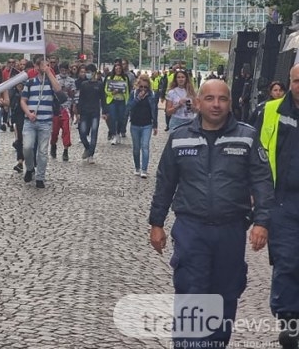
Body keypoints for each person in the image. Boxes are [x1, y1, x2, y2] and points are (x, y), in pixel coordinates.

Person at [149, 79, 274, 349]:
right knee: (191, 291)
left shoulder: (247, 137)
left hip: (230, 231)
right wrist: (156, 223)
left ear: (230, 103)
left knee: (225, 295)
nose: (216, 105)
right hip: (191, 229)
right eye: (210, 99)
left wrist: (262, 222)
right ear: (198, 102)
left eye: (222, 99)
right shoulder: (180, 137)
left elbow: (262, 181)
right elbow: (165, 182)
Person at [258, 64, 299, 348]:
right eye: (298, 81)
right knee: (286, 260)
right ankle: (288, 321)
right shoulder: (271, 110)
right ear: (289, 82)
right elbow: (258, 153)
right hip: (283, 200)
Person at [21, 55, 62, 188]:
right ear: (36, 66)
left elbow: (58, 89)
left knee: (43, 151)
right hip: (30, 122)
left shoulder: (50, 81)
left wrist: (49, 72)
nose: (44, 67)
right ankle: (30, 167)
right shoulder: (30, 82)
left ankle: (40, 177)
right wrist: (28, 113)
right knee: (27, 147)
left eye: (46, 65)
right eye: (42, 65)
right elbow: (23, 100)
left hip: (45, 122)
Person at [126, 73, 158, 178]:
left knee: (145, 146)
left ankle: (144, 169)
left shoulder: (152, 95)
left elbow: (154, 110)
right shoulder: (134, 93)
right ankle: (137, 167)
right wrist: (138, 98)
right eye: (141, 87)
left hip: (147, 124)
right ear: (138, 85)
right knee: (136, 148)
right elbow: (129, 107)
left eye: (145, 87)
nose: (143, 89)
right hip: (135, 124)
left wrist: (155, 125)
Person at [75, 64, 103, 164]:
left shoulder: (99, 84)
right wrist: (78, 112)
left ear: (94, 73)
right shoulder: (84, 84)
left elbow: (103, 98)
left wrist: (105, 112)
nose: (88, 74)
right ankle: (87, 148)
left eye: (89, 72)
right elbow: (80, 99)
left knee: (94, 133)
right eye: (87, 72)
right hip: (84, 112)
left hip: (95, 112)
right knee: (82, 133)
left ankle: (91, 154)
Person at [50, 62, 75, 161]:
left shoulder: (71, 81)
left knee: (66, 130)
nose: (63, 72)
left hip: (66, 108)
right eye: (62, 70)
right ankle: (53, 145)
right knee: (54, 130)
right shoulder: (55, 79)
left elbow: (73, 95)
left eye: (65, 70)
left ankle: (65, 150)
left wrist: (69, 91)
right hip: (56, 107)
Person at [103, 62, 130, 146]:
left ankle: (118, 133)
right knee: (113, 118)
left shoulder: (125, 77)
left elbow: (127, 89)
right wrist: (112, 93)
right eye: (116, 69)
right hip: (113, 100)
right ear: (114, 70)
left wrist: (127, 101)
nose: (118, 70)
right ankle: (114, 134)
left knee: (121, 118)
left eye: (119, 69)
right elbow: (106, 89)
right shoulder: (110, 77)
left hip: (122, 100)